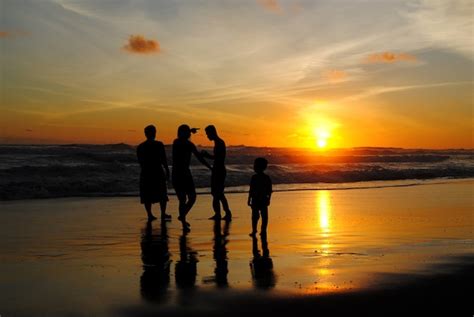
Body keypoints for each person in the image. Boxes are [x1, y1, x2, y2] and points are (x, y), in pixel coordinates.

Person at [172, 124, 212, 232]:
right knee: (192, 197)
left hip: (175, 174)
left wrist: (189, 130)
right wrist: (210, 167)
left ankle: (183, 220)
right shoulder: (189, 144)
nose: (190, 134)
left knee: (182, 199)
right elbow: (199, 158)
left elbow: (183, 137)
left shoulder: (175, 143)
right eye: (188, 132)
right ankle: (183, 217)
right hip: (184, 174)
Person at [137, 125, 170, 221]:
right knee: (162, 194)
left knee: (147, 194)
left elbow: (140, 162)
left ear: (145, 134)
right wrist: (167, 170)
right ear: (153, 133)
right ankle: (163, 213)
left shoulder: (140, 146)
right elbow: (163, 160)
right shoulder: (159, 144)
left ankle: (150, 214)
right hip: (157, 171)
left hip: (146, 172)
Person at [202, 125, 232, 221]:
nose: (207, 136)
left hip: (219, 170)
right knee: (218, 193)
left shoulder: (219, 143)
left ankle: (223, 213)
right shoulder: (218, 142)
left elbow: (219, 158)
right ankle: (222, 213)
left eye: (207, 134)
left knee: (217, 193)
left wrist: (206, 155)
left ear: (212, 133)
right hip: (218, 170)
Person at [248, 157, 272, 236]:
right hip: (263, 199)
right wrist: (269, 199)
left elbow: (251, 190)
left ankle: (255, 230)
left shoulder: (254, 178)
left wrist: (249, 199)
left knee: (255, 216)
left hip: (256, 199)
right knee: (264, 216)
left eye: (255, 165)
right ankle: (263, 230)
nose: (254, 167)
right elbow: (269, 190)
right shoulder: (266, 177)